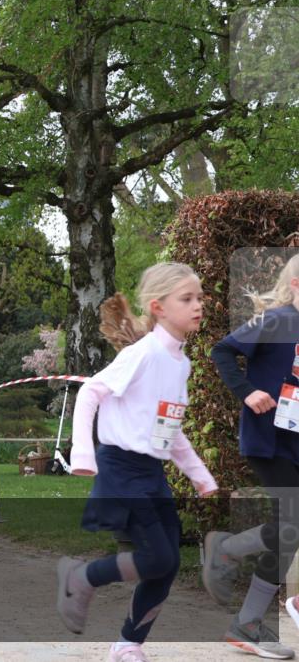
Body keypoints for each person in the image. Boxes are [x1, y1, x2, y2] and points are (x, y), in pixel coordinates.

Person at [56, 263, 218, 662]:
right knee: (157, 557)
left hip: (150, 471)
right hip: (120, 468)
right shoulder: (143, 354)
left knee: (168, 563)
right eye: (187, 299)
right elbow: (90, 393)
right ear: (158, 307)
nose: (198, 305)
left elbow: (169, 428)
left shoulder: (181, 364)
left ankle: (128, 644)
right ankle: (80, 578)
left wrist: (200, 475)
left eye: (199, 298)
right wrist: (82, 453)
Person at [202, 253, 299, 658]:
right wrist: (248, 392)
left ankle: (230, 558)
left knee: (290, 532)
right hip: (268, 439)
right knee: (293, 524)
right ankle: (230, 558)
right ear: (295, 284)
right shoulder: (276, 320)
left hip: (295, 441)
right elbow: (222, 351)